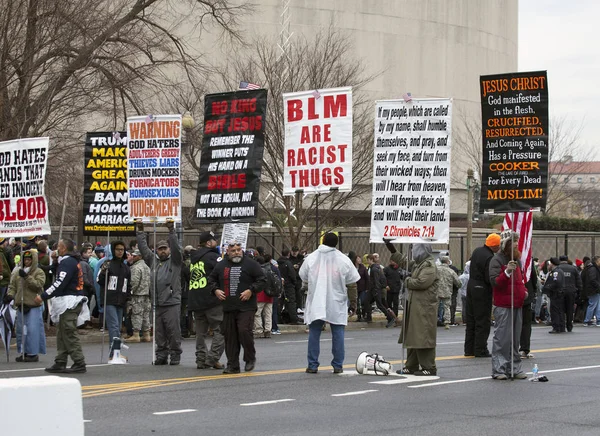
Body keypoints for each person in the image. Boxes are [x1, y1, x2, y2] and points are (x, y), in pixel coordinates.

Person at [300, 232, 359, 374]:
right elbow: (352, 283)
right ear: (336, 243)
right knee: (338, 332)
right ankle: (338, 365)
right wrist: (353, 303)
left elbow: (303, 277)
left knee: (314, 331)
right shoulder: (343, 260)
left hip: (317, 300)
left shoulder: (311, 258)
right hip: (336, 301)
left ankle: (312, 365)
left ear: (323, 240)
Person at [208, 242, 267, 374]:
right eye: (233, 250)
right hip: (228, 307)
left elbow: (262, 280)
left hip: (246, 307)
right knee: (230, 337)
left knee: (244, 330)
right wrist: (216, 290)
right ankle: (233, 365)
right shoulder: (221, 265)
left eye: (239, 250)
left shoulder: (251, 264)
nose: (236, 252)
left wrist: (251, 290)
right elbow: (211, 279)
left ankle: (250, 358)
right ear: (227, 251)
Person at [36, 238, 90, 373]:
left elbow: (60, 282)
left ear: (64, 248)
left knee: (68, 331)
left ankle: (79, 362)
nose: (56, 249)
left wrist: (43, 296)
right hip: (67, 300)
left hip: (70, 301)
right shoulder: (67, 261)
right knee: (61, 333)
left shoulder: (68, 262)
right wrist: (55, 260)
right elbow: (53, 271)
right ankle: (60, 361)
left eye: (58, 247)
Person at [136, 219, 183, 365]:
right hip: (157, 303)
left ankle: (175, 354)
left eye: (165, 248)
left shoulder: (175, 261)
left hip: (171, 302)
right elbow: (143, 249)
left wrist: (171, 231)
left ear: (169, 250)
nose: (162, 250)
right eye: (160, 248)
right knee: (159, 332)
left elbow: (176, 247)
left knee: (173, 331)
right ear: (156, 250)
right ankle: (161, 354)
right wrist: (140, 231)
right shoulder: (152, 261)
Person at [489, 231, 528, 380]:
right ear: (506, 244)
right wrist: (506, 272)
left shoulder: (516, 260)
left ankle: (514, 367)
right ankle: (499, 369)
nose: (517, 244)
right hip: (504, 305)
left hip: (517, 303)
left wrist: (523, 290)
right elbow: (495, 282)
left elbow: (520, 279)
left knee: (515, 339)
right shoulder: (496, 261)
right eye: (514, 242)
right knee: (502, 339)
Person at [395, 244, 439, 376]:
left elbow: (421, 282)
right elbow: (404, 262)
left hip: (424, 308)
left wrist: (407, 279)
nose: (413, 252)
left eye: (415, 249)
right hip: (416, 305)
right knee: (413, 335)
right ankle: (411, 365)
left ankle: (429, 367)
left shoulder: (429, 266)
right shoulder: (419, 264)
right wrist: (390, 246)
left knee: (423, 337)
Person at [188, 231, 225, 370]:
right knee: (220, 331)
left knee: (200, 333)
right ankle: (212, 358)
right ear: (209, 243)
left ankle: (201, 359)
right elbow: (222, 274)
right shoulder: (214, 257)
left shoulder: (193, 258)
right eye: (214, 240)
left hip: (195, 299)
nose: (216, 242)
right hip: (212, 300)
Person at [3, 249, 47, 362]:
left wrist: (27, 277)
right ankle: (24, 351)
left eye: (29, 259)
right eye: (25, 259)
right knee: (21, 331)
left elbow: (38, 285)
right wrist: (10, 295)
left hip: (33, 305)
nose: (27, 262)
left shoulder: (39, 272)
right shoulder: (18, 272)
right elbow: (13, 286)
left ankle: (33, 353)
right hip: (21, 305)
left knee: (33, 330)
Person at [464, 233, 501, 358]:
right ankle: (480, 349)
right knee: (482, 320)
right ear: (495, 246)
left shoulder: (477, 251)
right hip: (482, 289)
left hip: (471, 285)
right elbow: (488, 276)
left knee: (471, 319)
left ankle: (469, 349)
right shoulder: (490, 257)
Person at [97, 241, 131, 355]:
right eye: (117, 249)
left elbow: (128, 285)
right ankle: (114, 352)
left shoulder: (126, 268)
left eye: (122, 249)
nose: (120, 252)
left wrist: (128, 299)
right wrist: (103, 272)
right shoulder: (108, 264)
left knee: (118, 327)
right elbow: (100, 281)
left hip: (121, 301)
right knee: (114, 326)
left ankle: (116, 351)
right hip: (109, 299)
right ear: (113, 250)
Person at [125, 249, 152, 343]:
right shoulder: (147, 267)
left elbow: (134, 282)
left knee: (136, 314)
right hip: (147, 295)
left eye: (135, 255)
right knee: (146, 315)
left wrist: (129, 293)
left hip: (137, 295)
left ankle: (136, 335)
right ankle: (146, 335)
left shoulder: (136, 268)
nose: (133, 257)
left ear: (140, 256)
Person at [365, 253, 396, 327]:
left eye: (368, 260)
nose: (367, 261)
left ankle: (390, 318)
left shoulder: (374, 269)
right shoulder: (376, 267)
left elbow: (376, 280)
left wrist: (376, 290)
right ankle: (368, 317)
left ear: (371, 260)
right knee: (367, 301)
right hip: (374, 289)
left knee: (380, 305)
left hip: (375, 290)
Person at [557, 255, 582, 332]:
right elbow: (579, 281)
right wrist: (579, 291)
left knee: (560, 309)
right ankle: (569, 326)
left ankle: (562, 325)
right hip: (571, 291)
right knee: (570, 309)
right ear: (567, 260)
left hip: (560, 291)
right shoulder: (573, 269)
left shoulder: (557, 268)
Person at [255, 254, 277, 339]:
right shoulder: (271, 269)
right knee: (268, 314)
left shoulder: (258, 271)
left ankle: (259, 331)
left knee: (257, 314)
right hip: (270, 295)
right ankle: (268, 330)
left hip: (260, 294)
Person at [519, 258, 537, 359]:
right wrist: (533, 290)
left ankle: (510, 349)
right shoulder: (527, 259)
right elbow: (533, 277)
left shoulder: (507, 257)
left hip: (512, 296)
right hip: (526, 295)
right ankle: (524, 349)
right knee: (525, 324)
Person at [542, 257, 566, 333]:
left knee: (555, 311)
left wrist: (548, 287)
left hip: (556, 294)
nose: (548, 266)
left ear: (552, 264)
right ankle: (561, 326)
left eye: (549, 265)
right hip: (558, 294)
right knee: (559, 311)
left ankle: (556, 327)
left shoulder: (556, 272)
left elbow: (556, 282)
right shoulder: (558, 271)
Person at [437, 256, 461, 330]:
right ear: (447, 261)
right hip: (447, 291)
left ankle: (433, 321)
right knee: (447, 307)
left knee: (435, 306)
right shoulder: (451, 271)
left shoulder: (436, 269)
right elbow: (458, 282)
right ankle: (447, 322)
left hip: (436, 291)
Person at [348, 252, 369, 322]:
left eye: (360, 259)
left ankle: (363, 314)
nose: (359, 260)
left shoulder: (363, 268)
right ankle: (359, 315)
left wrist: (367, 287)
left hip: (362, 287)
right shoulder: (352, 267)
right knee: (356, 302)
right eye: (358, 259)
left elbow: (367, 278)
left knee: (361, 301)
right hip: (355, 287)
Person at [582, 256, 600, 326]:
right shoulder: (593, 269)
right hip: (594, 290)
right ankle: (587, 320)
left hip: (594, 290)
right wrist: (598, 286)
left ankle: (597, 320)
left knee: (596, 305)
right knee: (593, 305)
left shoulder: (593, 268)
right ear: (596, 261)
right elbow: (593, 280)